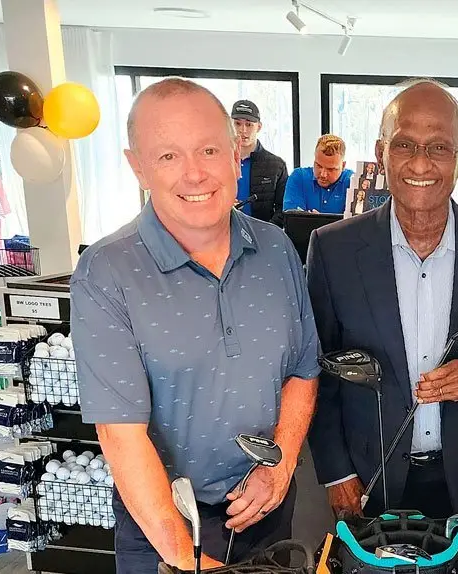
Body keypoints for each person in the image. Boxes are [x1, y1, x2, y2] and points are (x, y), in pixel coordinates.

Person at [71, 78, 321, 573]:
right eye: (167, 156)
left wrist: (281, 463)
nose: (194, 174)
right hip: (162, 524)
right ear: (137, 166)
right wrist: (188, 562)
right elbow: (120, 434)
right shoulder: (106, 272)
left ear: (235, 155)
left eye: (209, 149)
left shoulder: (277, 249)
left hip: (264, 509)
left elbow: (303, 370)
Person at [306, 79, 458, 571]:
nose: (420, 165)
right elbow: (318, 371)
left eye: (439, 148)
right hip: (368, 481)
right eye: (405, 146)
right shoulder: (332, 249)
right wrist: (334, 473)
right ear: (381, 153)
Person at [231, 100, 289, 225]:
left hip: (262, 236)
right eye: (237, 123)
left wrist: (265, 233)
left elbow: (283, 209)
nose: (243, 130)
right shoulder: (216, 161)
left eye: (249, 124)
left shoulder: (277, 165)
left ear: (259, 127)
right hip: (223, 235)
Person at [283, 135, 353, 214]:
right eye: (318, 166)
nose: (323, 174)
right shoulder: (299, 178)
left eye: (330, 169)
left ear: (343, 166)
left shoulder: (353, 182)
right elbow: (292, 220)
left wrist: (316, 220)